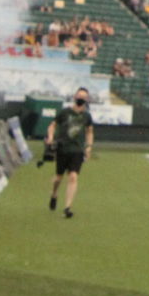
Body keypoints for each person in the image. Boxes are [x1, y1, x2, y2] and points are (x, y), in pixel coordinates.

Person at [45, 88, 95, 219]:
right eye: (79, 96)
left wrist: (89, 147)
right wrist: (50, 137)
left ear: (87, 100)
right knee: (58, 178)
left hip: (77, 150)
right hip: (63, 149)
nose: (81, 99)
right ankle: (54, 194)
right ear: (74, 97)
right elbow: (52, 125)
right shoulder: (65, 112)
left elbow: (90, 131)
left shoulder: (87, 116)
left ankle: (67, 207)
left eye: (84, 97)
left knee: (73, 177)